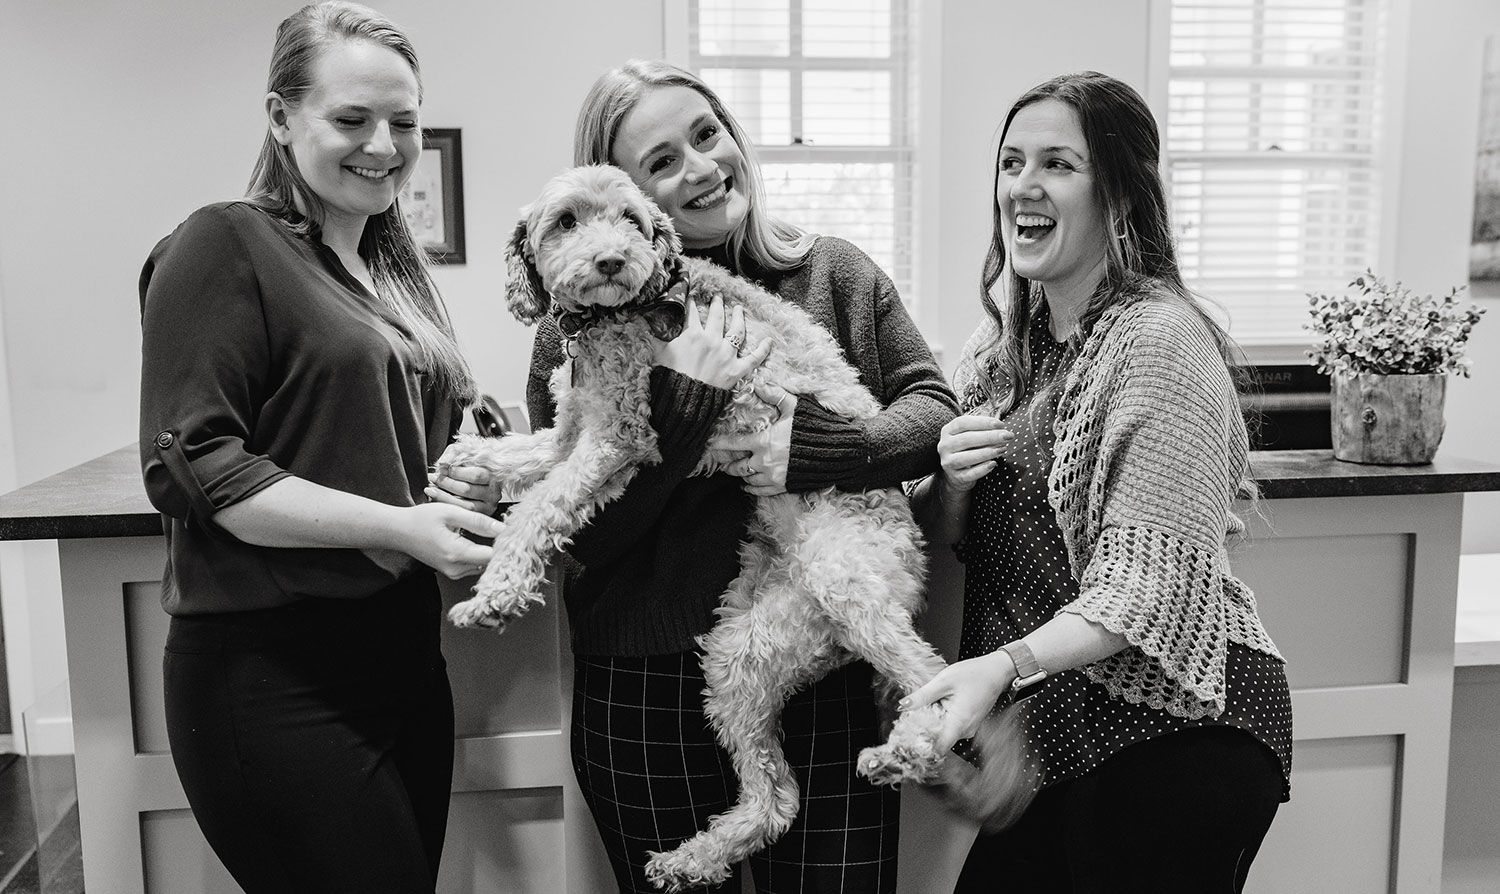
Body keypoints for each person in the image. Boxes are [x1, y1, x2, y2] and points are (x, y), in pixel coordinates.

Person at [432, 58, 956, 893]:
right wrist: (683, 411)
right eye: (663, 162)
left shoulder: (831, 274)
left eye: (705, 136)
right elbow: (594, 533)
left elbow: (932, 409)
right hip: (644, 685)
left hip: (814, 655)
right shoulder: (576, 325)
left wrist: (814, 449)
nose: (703, 168)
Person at [899, 71, 1293, 894]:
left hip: (1182, 734)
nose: (1023, 188)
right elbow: (938, 530)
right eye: (1010, 163)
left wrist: (999, 670)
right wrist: (952, 487)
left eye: (1057, 164)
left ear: (1119, 192)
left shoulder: (1162, 341)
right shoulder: (1004, 341)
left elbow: (1144, 589)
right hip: (1068, 734)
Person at [137, 4, 501, 891]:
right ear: (279, 118)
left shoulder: (394, 278)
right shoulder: (223, 242)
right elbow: (198, 467)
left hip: (404, 665)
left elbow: (413, 456)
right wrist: (408, 529)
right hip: (271, 680)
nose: (384, 143)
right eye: (351, 119)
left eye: (404, 122)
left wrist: (476, 469)